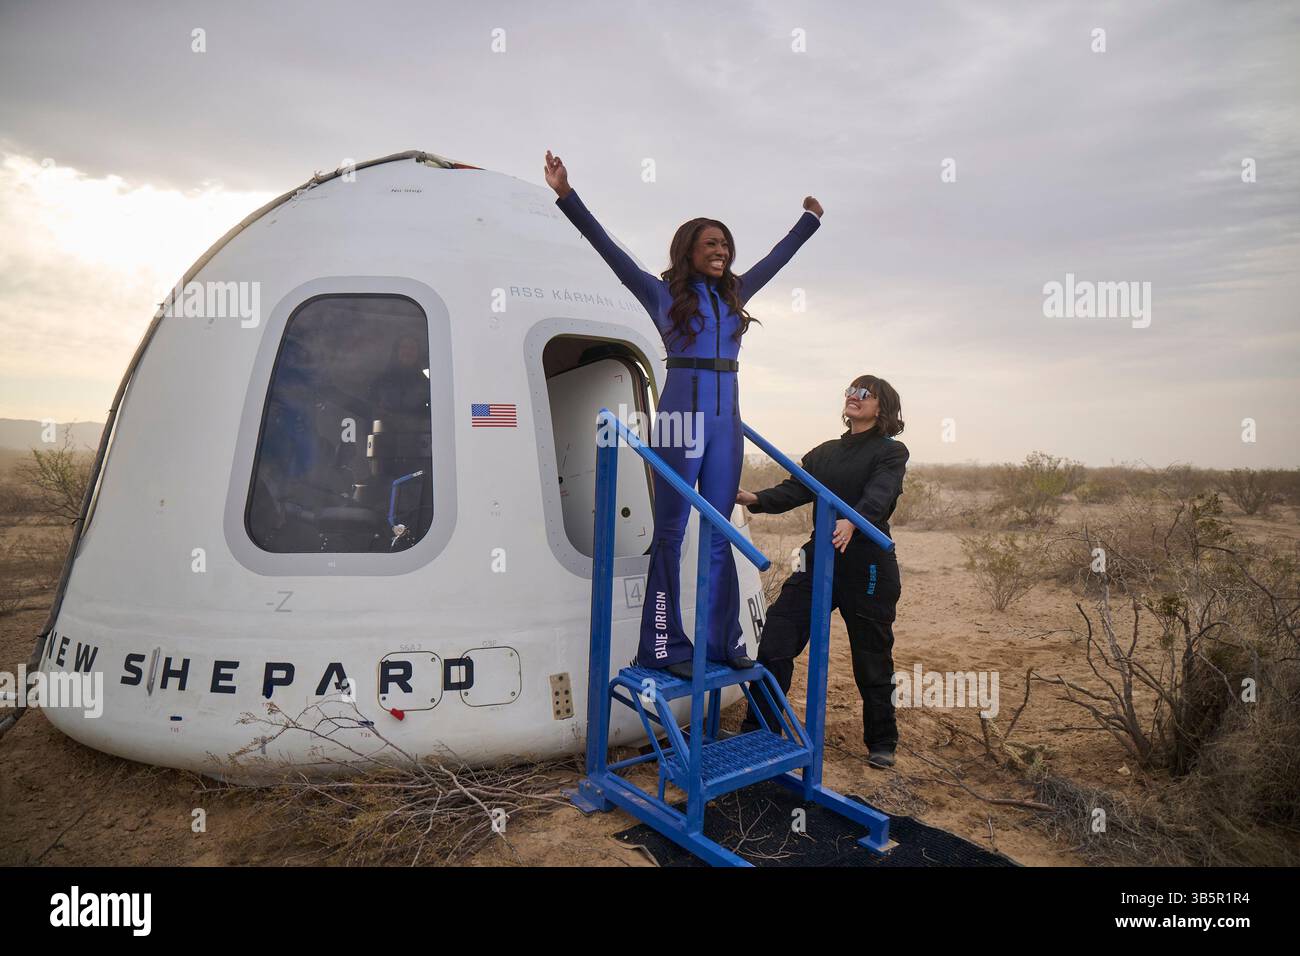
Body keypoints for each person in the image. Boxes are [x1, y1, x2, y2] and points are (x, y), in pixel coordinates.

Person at [545, 149, 822, 678]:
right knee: (671, 533)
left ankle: (721, 641)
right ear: (689, 250)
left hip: (727, 422)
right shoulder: (658, 290)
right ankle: (662, 643)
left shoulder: (735, 293)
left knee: (718, 531)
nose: (722, 251)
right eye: (712, 243)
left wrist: (808, 222)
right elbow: (607, 249)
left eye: (726, 244)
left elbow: (775, 260)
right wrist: (566, 195)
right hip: (679, 418)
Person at [736, 375, 908, 768]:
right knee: (777, 635)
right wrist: (755, 498)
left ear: (882, 407)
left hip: (868, 562)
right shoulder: (825, 453)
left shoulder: (891, 452)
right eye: (851, 390)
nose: (854, 397)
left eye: (865, 393)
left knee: (872, 657)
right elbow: (794, 490)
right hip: (820, 557)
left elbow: (880, 493)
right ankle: (761, 728)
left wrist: (854, 520)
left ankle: (882, 740)